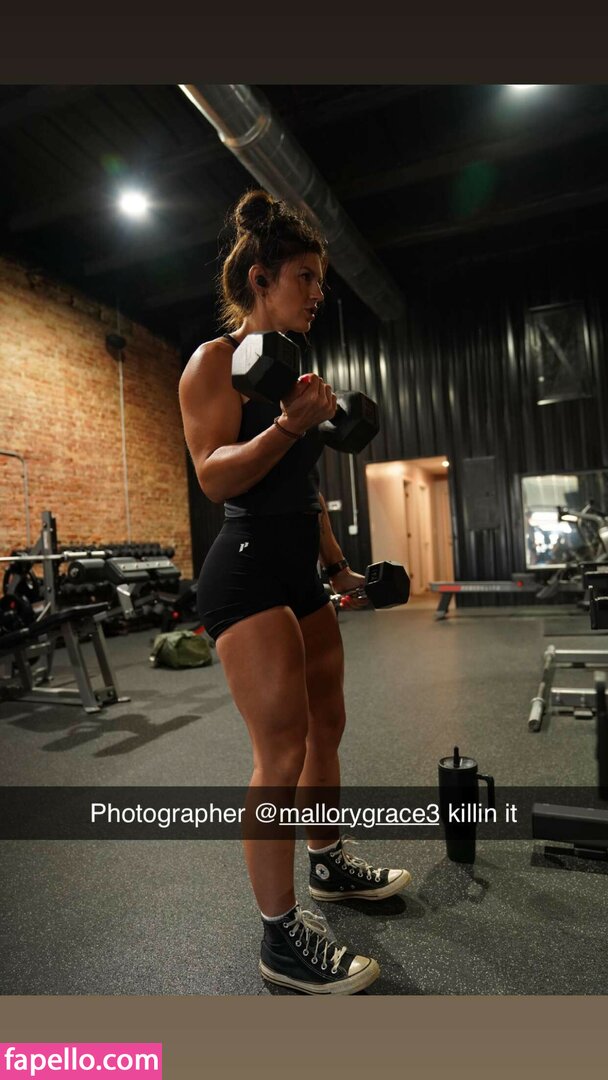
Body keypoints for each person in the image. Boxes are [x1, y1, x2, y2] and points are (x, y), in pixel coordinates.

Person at [179, 189, 410, 996]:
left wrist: (339, 568)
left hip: (298, 569)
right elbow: (214, 476)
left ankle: (327, 862)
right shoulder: (213, 363)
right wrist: (286, 424)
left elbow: (304, 492)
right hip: (244, 570)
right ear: (260, 278)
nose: (318, 292)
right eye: (305, 277)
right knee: (278, 753)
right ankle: (279, 939)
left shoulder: (294, 375)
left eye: (320, 279)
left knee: (325, 728)